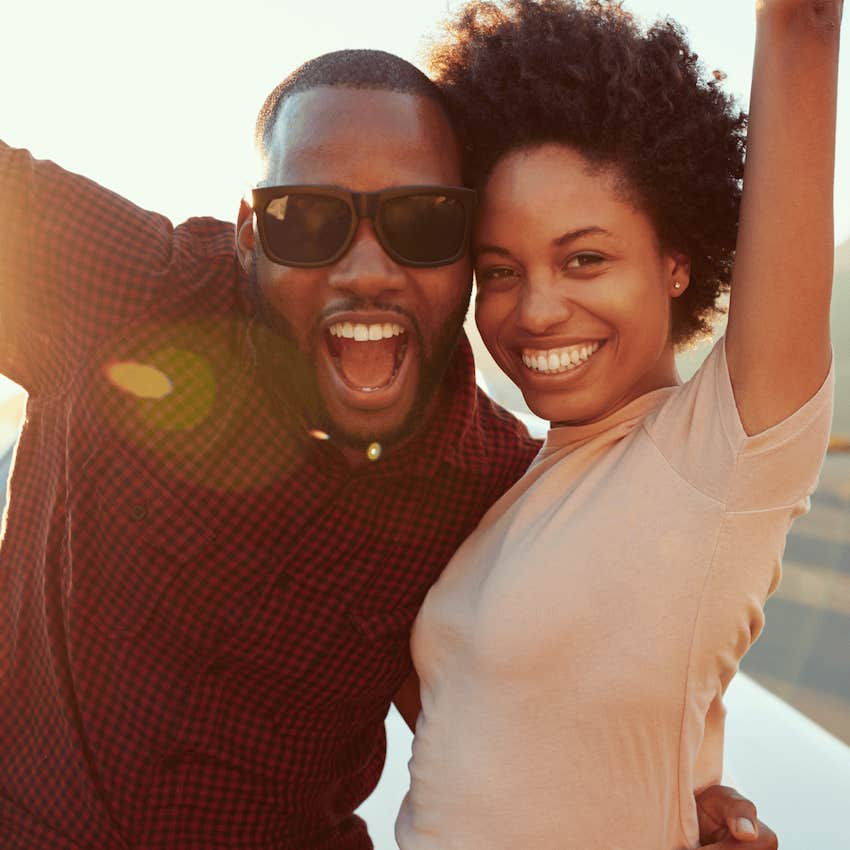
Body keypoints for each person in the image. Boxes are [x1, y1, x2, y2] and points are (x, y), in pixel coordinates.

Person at [0, 46, 772, 850]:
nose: (367, 271)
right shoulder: (132, 294)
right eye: (306, 219)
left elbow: (508, 709)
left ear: (470, 252)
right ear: (249, 234)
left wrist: (682, 805)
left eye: (422, 221)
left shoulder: (492, 489)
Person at [395, 0, 839, 848]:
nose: (537, 310)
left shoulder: (719, 454)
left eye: (584, 258)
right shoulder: (517, 485)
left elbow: (804, 25)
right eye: (500, 271)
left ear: (677, 262)